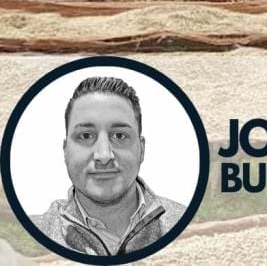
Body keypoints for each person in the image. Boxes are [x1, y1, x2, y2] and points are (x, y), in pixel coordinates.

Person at [31, 76, 186, 257]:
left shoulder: (184, 224)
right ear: (65, 151)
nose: (103, 156)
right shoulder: (31, 235)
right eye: (86, 136)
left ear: (141, 149)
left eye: (119, 136)